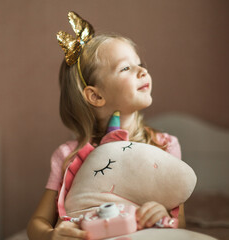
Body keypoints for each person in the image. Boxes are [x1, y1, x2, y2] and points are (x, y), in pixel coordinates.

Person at [27, 12, 185, 240]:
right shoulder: (68, 157)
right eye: (125, 68)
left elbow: (181, 223)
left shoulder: (164, 147)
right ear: (95, 96)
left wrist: (162, 215)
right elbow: (36, 224)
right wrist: (51, 235)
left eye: (140, 64)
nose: (143, 71)